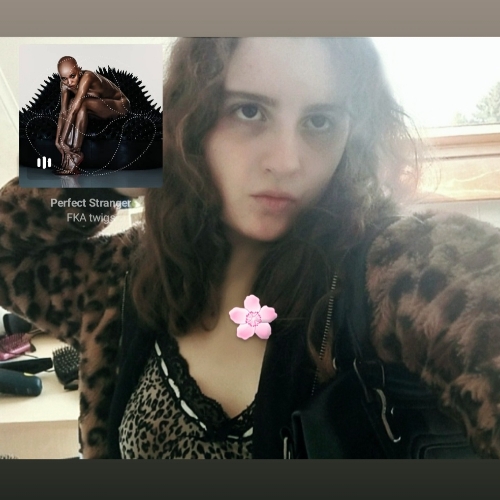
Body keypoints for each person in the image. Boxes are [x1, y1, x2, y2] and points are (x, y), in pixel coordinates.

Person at [1, 37, 500, 459]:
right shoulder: (125, 275)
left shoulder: (395, 273)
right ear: (191, 121)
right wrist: (116, 165)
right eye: (249, 110)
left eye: (320, 121)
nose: (287, 161)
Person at [54, 56, 131, 175]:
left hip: (119, 104)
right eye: (64, 79)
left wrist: (62, 141)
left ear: (79, 70)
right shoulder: (64, 85)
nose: (69, 82)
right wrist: (57, 141)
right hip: (96, 106)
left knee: (80, 104)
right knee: (72, 103)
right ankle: (70, 158)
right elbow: (63, 112)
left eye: (72, 76)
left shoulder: (87, 77)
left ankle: (76, 153)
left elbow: (74, 110)